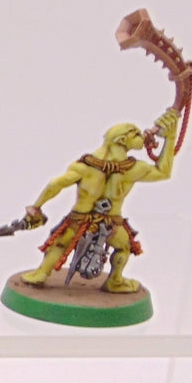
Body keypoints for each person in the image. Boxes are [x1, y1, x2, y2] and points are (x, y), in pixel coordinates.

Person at [15, 109, 179, 292]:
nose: (142, 135)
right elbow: (163, 172)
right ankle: (115, 280)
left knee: (59, 244)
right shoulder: (133, 169)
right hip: (111, 224)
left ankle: (41, 273)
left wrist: (37, 207)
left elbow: (56, 184)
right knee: (123, 248)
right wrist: (170, 138)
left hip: (79, 221)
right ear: (122, 140)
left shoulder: (85, 166)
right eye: (136, 133)